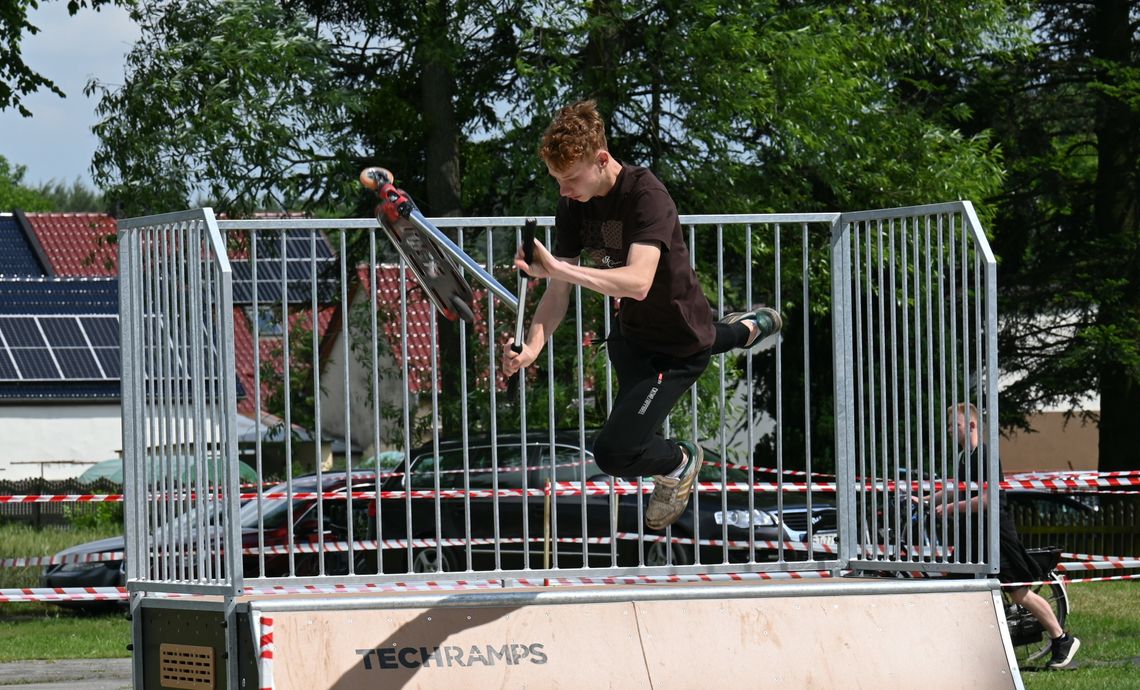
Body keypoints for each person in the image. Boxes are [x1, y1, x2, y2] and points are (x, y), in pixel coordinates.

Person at [501, 99, 781, 531]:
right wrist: (532, 347)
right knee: (705, 340)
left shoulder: (645, 195)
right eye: (556, 180)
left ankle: (681, 460)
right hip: (629, 340)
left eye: (571, 178)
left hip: (675, 350)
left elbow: (638, 282)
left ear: (601, 159)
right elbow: (557, 292)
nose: (564, 190)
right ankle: (744, 329)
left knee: (615, 452)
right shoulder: (573, 206)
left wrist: (560, 267)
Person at [927, 403, 1080, 669]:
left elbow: (988, 499)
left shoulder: (985, 455)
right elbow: (957, 488)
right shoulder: (966, 457)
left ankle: (1062, 639)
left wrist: (949, 509)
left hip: (996, 534)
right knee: (960, 588)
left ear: (972, 425)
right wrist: (926, 499)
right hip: (974, 536)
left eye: (956, 425)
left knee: (1018, 592)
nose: (951, 430)